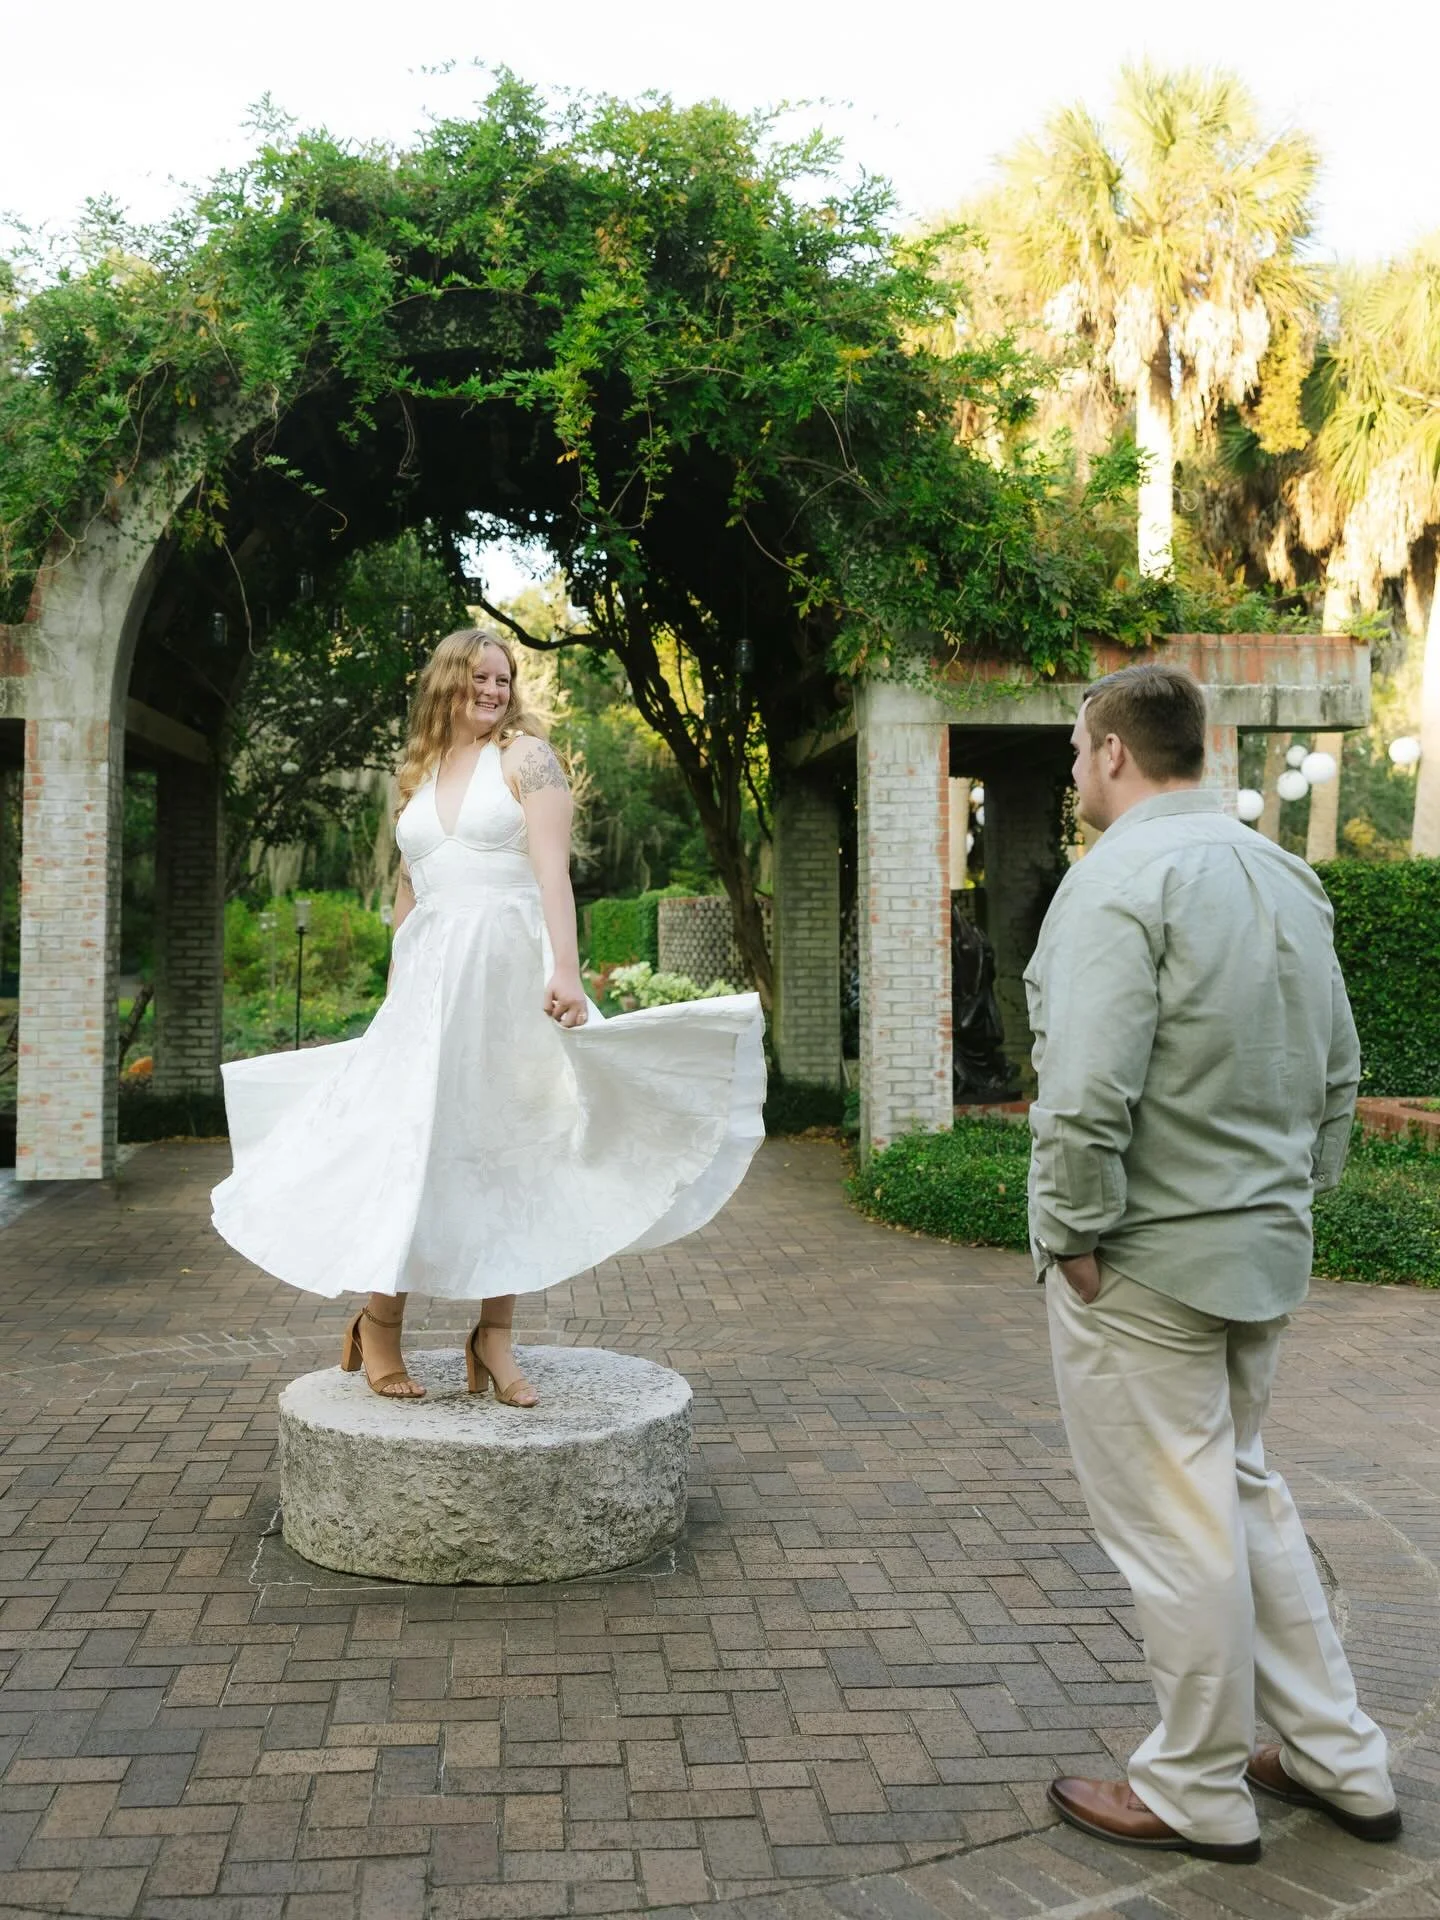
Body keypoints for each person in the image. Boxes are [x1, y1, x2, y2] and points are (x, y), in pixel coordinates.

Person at [1026, 662, 1399, 1864]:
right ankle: (1337, 1755)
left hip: (1145, 1264)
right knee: (1241, 1494)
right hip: (1260, 1248)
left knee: (1177, 1525)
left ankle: (1193, 1784)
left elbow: (1083, 1092)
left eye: (1081, 754)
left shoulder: (1115, 882)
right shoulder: (1284, 877)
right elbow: (1339, 1070)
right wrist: (1297, 1198)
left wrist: (1070, 1233)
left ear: (1118, 755)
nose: (1076, 774)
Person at [212, 626, 765, 1405]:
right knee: (404, 1146)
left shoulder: (527, 758)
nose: (493, 692)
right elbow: (410, 886)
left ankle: (494, 1339)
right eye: (479, 679)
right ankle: (379, 1324)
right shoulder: (419, 770)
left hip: (508, 976)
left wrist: (566, 972)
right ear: (446, 683)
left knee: (513, 1146)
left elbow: (551, 873)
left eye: (503, 680)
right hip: (428, 988)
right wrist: (395, 981)